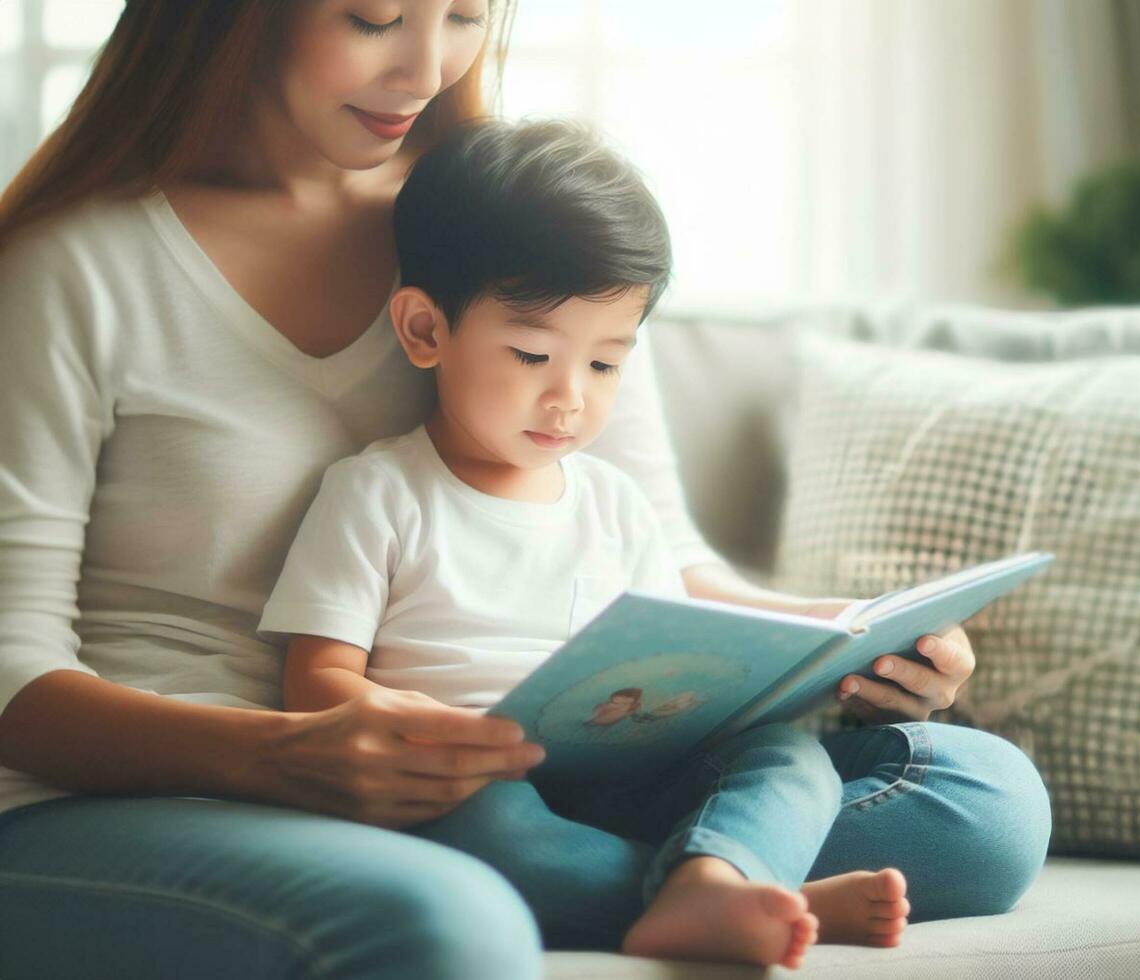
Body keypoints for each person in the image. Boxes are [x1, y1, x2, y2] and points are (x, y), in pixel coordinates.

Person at [0, 2, 1050, 978]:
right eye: (373, 16)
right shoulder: (76, 267)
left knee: (979, 801)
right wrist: (287, 755)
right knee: (449, 916)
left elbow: (664, 567)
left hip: (528, 767)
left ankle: (707, 878)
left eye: (463, 15)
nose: (427, 65)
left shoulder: (513, 226)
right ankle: (721, 881)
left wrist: (857, 638)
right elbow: (14, 678)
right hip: (168, 791)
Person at [260, 117, 880, 968]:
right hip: (474, 781)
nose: (570, 401)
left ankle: (717, 875)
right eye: (531, 354)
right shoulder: (378, 491)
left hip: (628, 776)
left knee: (787, 756)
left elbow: (673, 650)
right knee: (480, 824)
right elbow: (315, 680)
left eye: (604, 366)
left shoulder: (616, 504)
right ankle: (737, 894)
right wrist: (432, 735)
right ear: (424, 331)